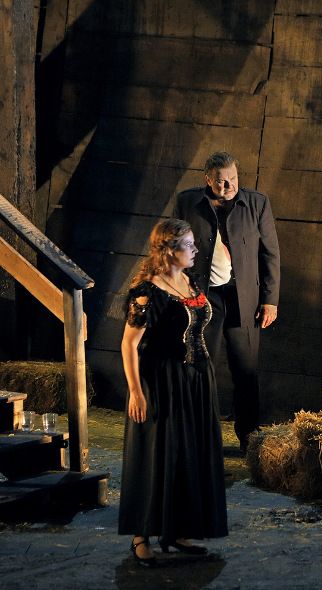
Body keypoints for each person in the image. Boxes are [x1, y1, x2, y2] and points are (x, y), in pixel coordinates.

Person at [118, 218, 228, 565]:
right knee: (158, 451)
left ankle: (177, 531)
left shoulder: (188, 281)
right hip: (161, 380)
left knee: (188, 452)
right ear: (170, 250)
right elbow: (128, 345)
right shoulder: (146, 292)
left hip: (196, 378)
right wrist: (136, 392)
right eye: (190, 245)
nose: (196, 250)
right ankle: (141, 535)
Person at [175, 151, 281, 452]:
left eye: (233, 179)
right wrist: (179, 293)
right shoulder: (187, 202)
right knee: (200, 366)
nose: (228, 186)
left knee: (245, 369)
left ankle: (249, 437)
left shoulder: (257, 203)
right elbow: (175, 250)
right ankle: (198, 434)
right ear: (208, 179)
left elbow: (270, 254)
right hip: (203, 298)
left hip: (243, 297)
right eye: (221, 181)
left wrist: (270, 300)